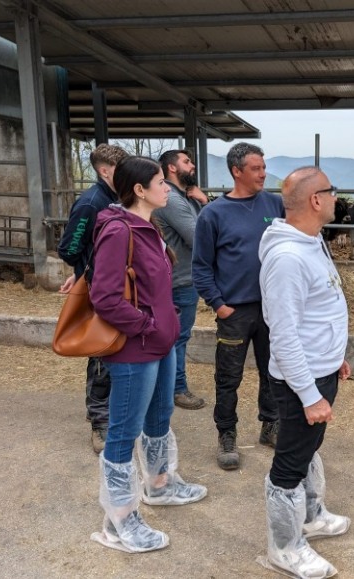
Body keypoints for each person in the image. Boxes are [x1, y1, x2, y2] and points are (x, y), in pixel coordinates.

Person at [88, 156, 207, 553]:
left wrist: (162, 327)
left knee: (159, 419)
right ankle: (117, 521)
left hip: (161, 342)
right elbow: (104, 297)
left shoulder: (148, 226)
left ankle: (160, 484)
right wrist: (147, 326)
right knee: (122, 434)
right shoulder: (119, 230)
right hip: (137, 349)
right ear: (139, 190)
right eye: (160, 181)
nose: (167, 188)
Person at [257, 166, 351, 579]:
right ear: (315, 200)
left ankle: (311, 518)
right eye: (331, 192)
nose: (335, 198)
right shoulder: (288, 257)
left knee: (309, 448)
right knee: (289, 464)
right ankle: (285, 547)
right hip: (301, 381)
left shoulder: (311, 243)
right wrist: (310, 395)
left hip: (320, 369)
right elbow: (284, 334)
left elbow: (320, 311)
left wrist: (335, 356)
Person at [192, 142, 284, 470]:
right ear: (236, 171)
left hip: (272, 308)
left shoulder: (275, 204)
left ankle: (270, 425)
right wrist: (218, 304)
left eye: (263, 167)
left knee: (274, 372)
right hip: (234, 311)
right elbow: (201, 266)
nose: (263, 174)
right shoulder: (213, 214)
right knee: (228, 376)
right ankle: (227, 434)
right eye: (256, 169)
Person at [57, 143, 128, 454]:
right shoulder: (91, 204)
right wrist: (84, 270)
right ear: (105, 171)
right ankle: (99, 421)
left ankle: (116, 414)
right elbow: (69, 247)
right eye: (120, 171)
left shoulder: (117, 199)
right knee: (101, 351)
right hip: (100, 291)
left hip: (118, 288)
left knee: (117, 351)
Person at [153, 149, 206, 411]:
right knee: (178, 337)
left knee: (174, 336)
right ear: (172, 168)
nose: (192, 165)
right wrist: (206, 203)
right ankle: (177, 388)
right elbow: (198, 236)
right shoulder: (172, 200)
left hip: (178, 277)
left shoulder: (181, 197)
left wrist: (199, 200)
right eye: (187, 162)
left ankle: (167, 385)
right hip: (181, 280)